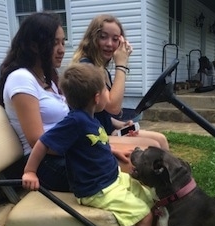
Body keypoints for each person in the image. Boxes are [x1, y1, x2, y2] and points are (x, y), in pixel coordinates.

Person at [22, 63, 166, 226]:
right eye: (106, 90)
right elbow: (42, 143)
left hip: (111, 179)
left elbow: (94, 142)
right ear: (98, 97)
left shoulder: (89, 119)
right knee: (144, 215)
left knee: (152, 196)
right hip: (96, 190)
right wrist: (30, 171)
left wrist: (113, 152)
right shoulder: (74, 121)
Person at [71, 14, 169, 171]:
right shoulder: (87, 68)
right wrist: (121, 65)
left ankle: (169, 188)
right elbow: (113, 107)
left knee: (161, 140)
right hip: (93, 138)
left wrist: (120, 124)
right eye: (103, 37)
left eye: (115, 39)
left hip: (107, 130)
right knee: (154, 147)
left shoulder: (102, 70)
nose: (110, 44)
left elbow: (99, 110)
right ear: (92, 39)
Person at [0, 12, 70, 191]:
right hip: (44, 163)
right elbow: (37, 140)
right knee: (124, 168)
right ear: (34, 46)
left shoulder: (47, 78)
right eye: (54, 43)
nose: (62, 49)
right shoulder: (21, 78)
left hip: (62, 154)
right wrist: (82, 148)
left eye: (63, 42)